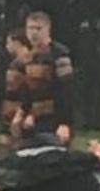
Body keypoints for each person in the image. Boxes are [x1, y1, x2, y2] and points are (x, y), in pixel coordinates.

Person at [23, 12, 75, 144]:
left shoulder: (59, 54)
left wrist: (65, 123)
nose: (34, 33)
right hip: (35, 121)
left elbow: (67, 90)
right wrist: (28, 113)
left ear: (48, 29)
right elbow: (30, 90)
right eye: (30, 28)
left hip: (55, 120)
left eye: (38, 28)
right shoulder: (29, 57)